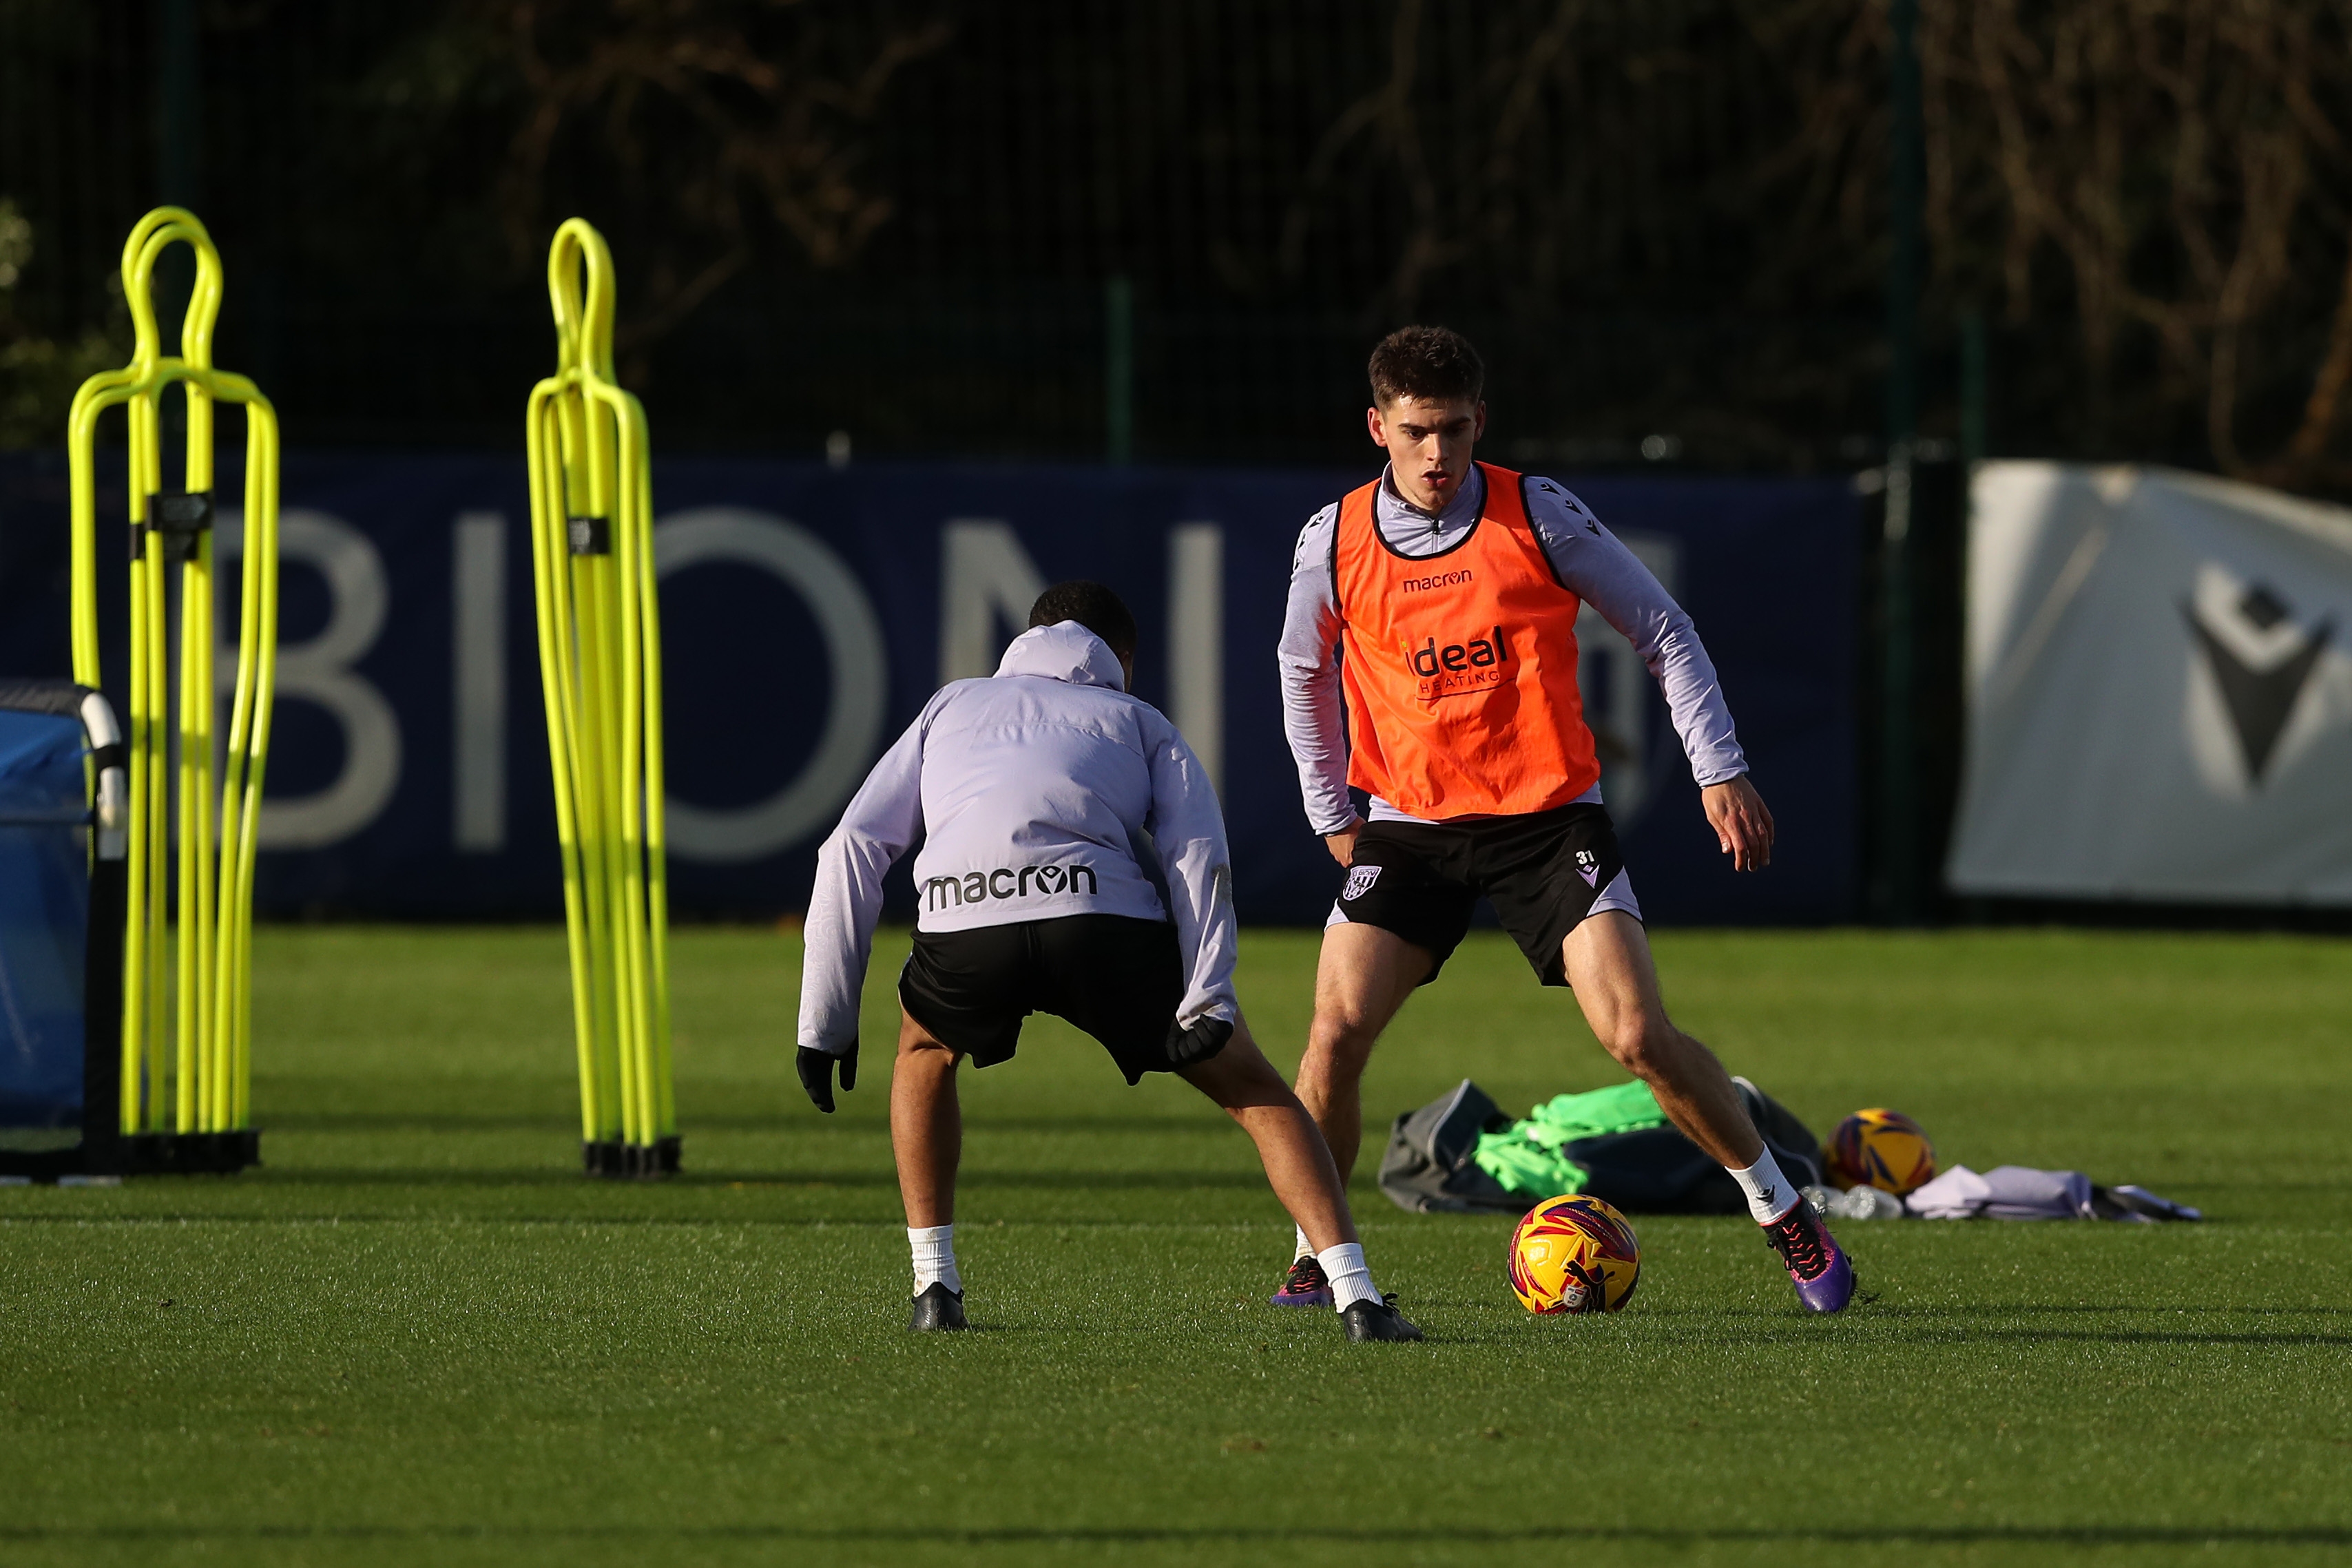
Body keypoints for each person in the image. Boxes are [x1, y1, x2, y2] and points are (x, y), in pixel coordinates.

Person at [1271, 326, 1855, 1314]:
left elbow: (1661, 628)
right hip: (1409, 825)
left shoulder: (1532, 511)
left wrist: (1718, 769)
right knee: (1331, 1035)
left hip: (1546, 820)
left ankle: (1778, 1207)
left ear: (1479, 422)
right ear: (1376, 426)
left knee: (1635, 1035)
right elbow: (1301, 669)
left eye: (1453, 431)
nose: (1435, 455)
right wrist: (1331, 808)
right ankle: (1317, 1255)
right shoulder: (1331, 538)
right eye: (1414, 432)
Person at [797, 580, 1422, 1340]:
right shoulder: (1136, 717)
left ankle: (936, 1290)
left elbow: (852, 847)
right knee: (1255, 1092)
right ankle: (1356, 1298)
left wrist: (824, 1020)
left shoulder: (949, 706)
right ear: (1121, 658)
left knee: (925, 1051)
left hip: (966, 926)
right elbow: (1199, 859)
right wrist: (1209, 995)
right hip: (1100, 923)